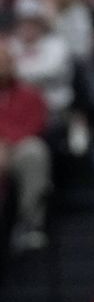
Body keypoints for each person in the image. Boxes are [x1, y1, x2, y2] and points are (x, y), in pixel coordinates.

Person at [0, 42, 51, 253]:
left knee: (35, 151)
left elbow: (37, 124)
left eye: (4, 61)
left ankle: (30, 223)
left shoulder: (30, 93)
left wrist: (8, 143)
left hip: (20, 149)